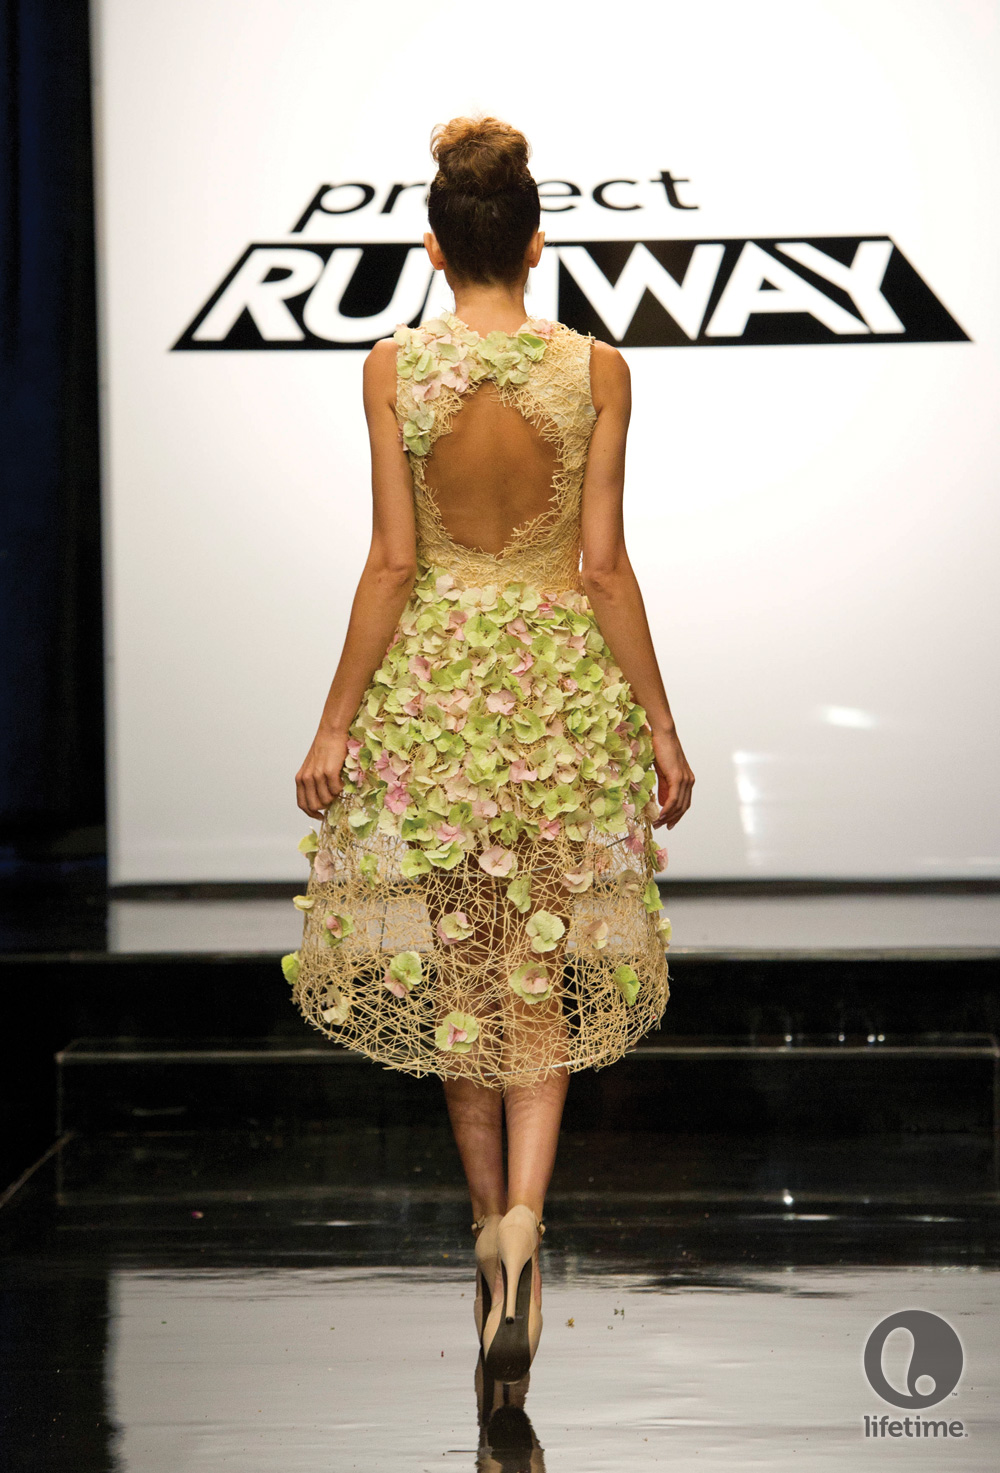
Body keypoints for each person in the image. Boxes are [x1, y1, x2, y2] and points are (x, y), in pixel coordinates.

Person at [285, 116, 694, 1384]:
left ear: (431, 247)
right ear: (534, 242)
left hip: (439, 697)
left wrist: (336, 719)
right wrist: (661, 725)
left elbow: (393, 563)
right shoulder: (597, 370)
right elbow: (602, 568)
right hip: (559, 698)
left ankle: (482, 1234)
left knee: (464, 975)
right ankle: (526, 1221)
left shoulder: (390, 368)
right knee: (541, 974)